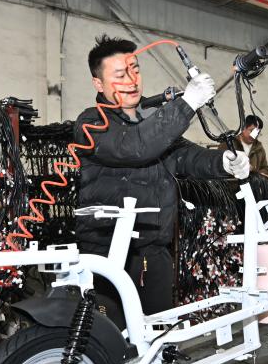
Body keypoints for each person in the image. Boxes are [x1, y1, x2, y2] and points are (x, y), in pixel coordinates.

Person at [74, 35, 250, 323]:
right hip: (106, 254)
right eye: (120, 75)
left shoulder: (152, 121)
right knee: (109, 337)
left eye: (135, 70)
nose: (132, 81)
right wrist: (187, 103)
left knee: (159, 332)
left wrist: (224, 162)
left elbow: (184, 155)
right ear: (99, 84)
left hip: (152, 252)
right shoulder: (90, 124)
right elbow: (134, 146)